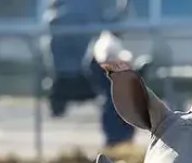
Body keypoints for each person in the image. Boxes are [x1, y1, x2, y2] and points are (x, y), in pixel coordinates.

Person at [42, 0, 136, 147]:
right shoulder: (83, 11)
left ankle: (118, 141)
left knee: (116, 83)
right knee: (117, 86)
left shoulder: (56, 12)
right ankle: (117, 141)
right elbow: (113, 27)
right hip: (78, 76)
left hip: (65, 79)